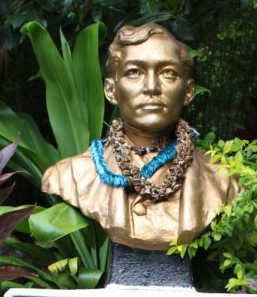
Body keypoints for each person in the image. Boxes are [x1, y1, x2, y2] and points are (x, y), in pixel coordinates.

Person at [41, 23, 238, 251]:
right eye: (134, 72)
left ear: (188, 91)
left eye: (168, 73)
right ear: (111, 90)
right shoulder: (71, 176)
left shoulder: (223, 179)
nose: (151, 87)